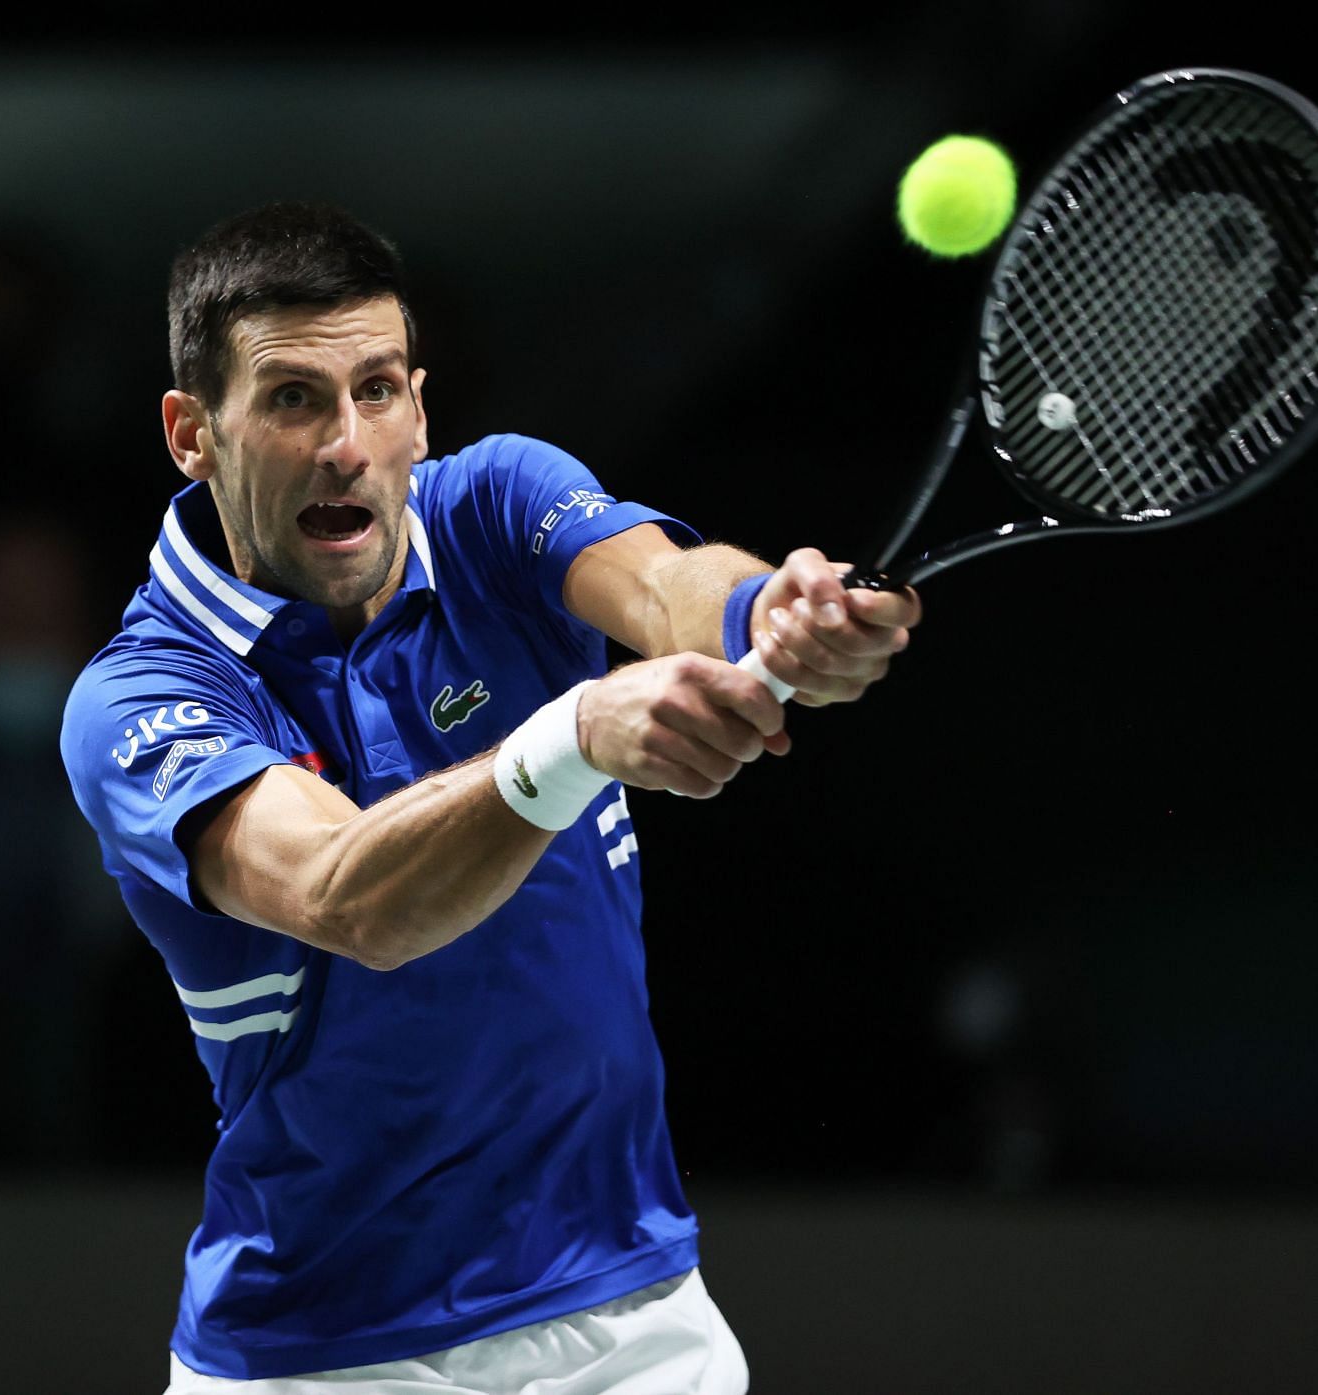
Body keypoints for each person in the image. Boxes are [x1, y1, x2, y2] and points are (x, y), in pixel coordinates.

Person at [58, 202, 919, 1394]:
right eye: (293, 398)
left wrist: (768, 612)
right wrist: (573, 735)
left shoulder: (497, 507)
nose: (344, 444)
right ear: (193, 435)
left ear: (418, 402)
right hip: (322, 1354)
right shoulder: (144, 697)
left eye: (375, 391)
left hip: (632, 1317)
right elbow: (348, 897)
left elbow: (671, 587)